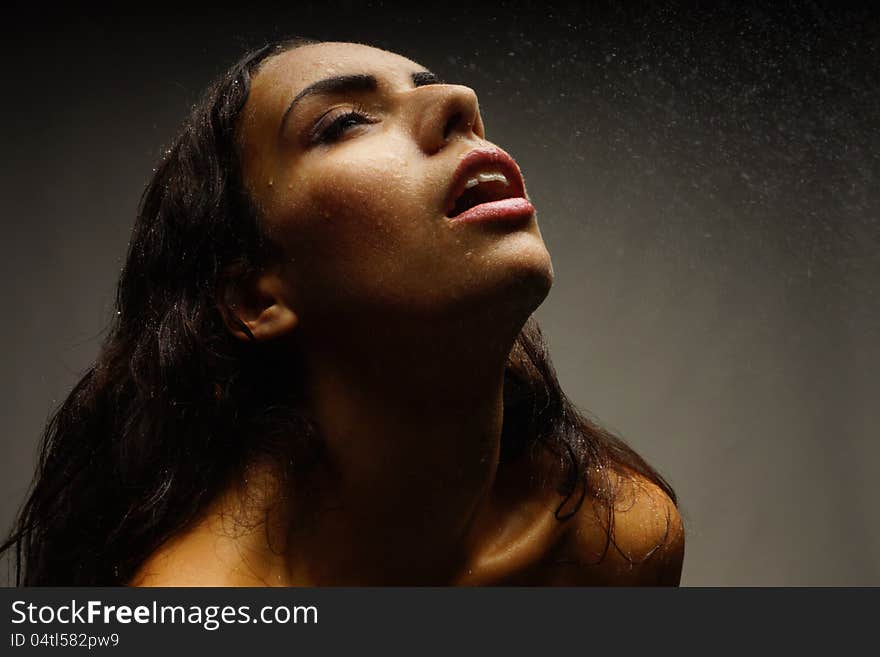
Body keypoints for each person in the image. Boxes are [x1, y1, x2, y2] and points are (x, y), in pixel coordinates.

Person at [3, 38, 684, 586]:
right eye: (344, 121)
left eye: (429, 84)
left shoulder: (612, 541)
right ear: (256, 296)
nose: (461, 101)